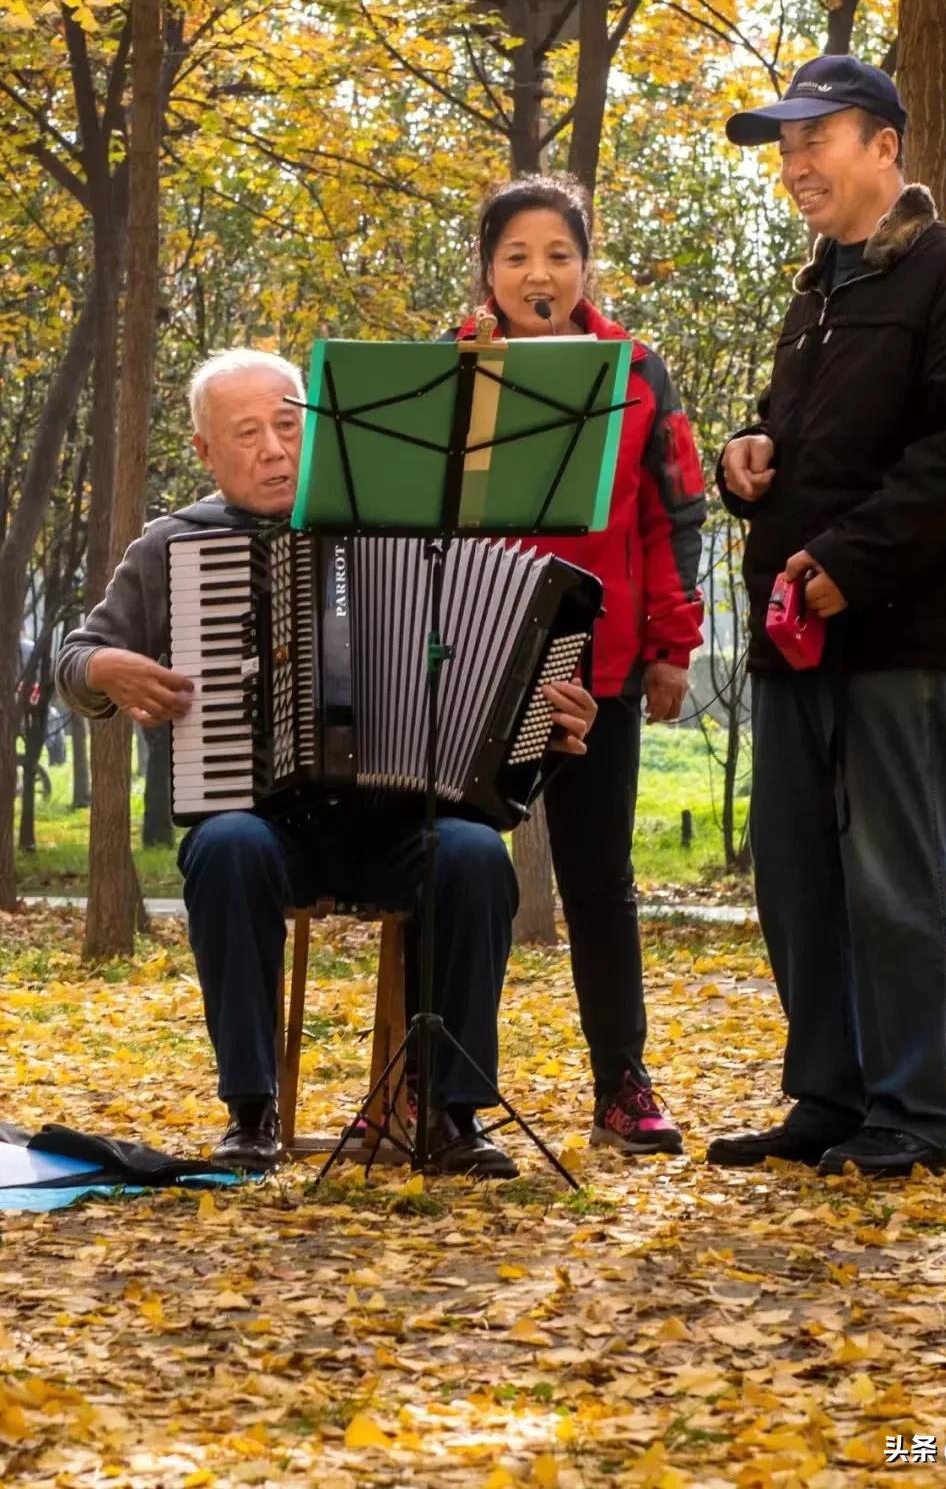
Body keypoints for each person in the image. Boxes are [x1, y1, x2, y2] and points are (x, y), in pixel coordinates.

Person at [57, 348, 597, 1177]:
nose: (275, 449)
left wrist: (545, 720)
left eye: (288, 424)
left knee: (475, 855)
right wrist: (103, 669)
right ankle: (250, 1111)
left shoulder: (402, 532)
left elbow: (489, 680)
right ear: (205, 451)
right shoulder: (176, 546)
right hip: (266, 827)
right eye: (248, 433)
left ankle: (451, 1113)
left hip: (401, 825)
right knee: (224, 845)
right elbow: (76, 659)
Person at [708, 55, 946, 1179]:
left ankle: (912, 1115)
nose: (796, 164)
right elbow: (806, 438)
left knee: (896, 874)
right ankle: (829, 1100)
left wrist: (850, 562)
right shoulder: (819, 293)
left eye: (817, 140)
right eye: (786, 147)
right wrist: (747, 453)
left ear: (885, 146)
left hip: (900, 634)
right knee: (797, 879)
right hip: (797, 637)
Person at [452, 174, 706, 1156]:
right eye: (517, 255)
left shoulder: (638, 369)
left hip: (598, 663)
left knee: (601, 881)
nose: (540, 273)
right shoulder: (452, 368)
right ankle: (447, 1093)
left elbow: (674, 514)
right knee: (457, 872)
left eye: (559, 254)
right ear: (488, 271)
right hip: (473, 659)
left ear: (585, 267)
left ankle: (622, 1088)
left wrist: (674, 645)